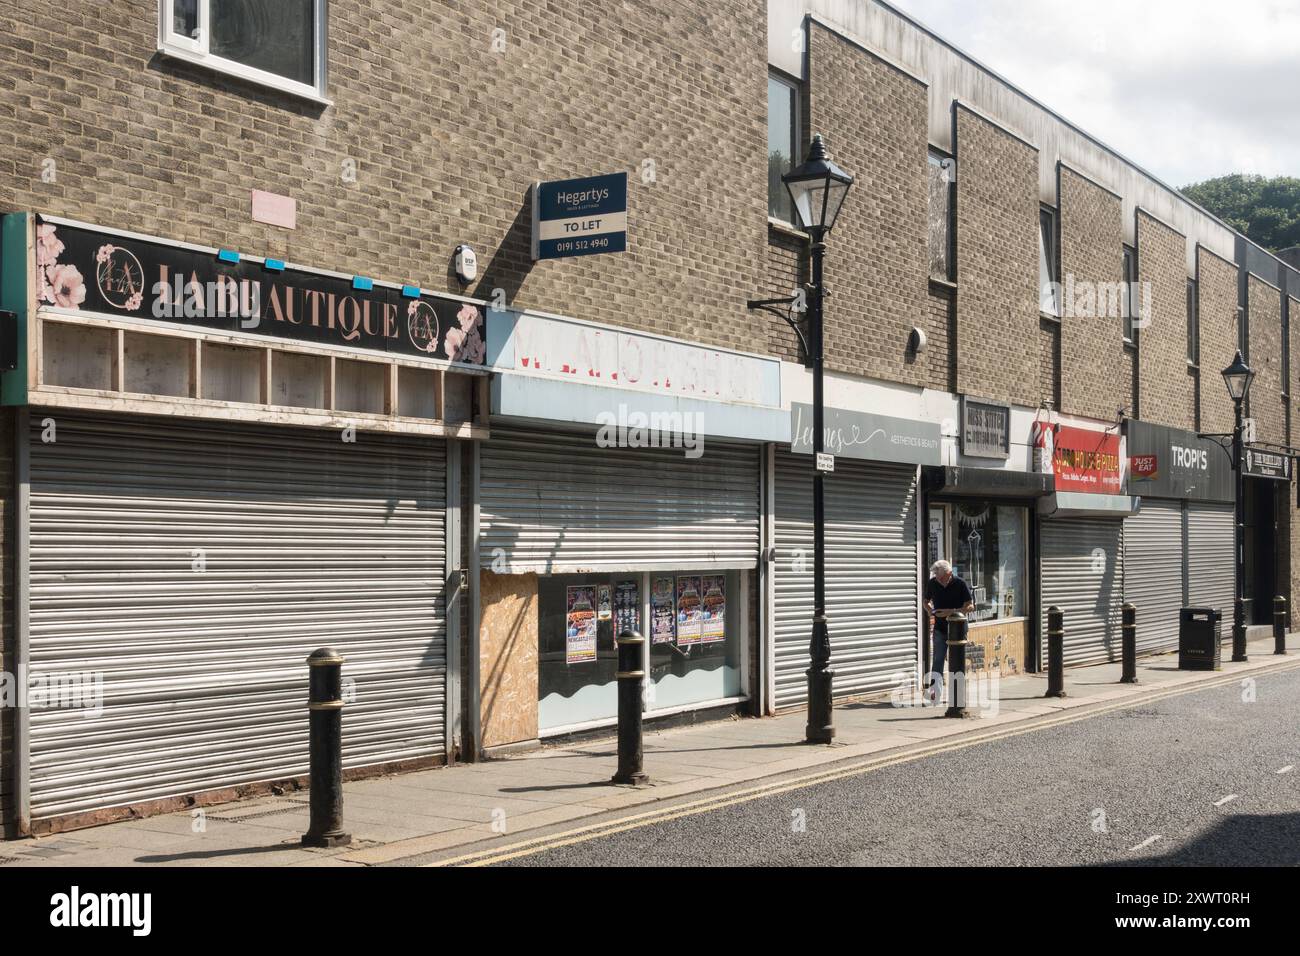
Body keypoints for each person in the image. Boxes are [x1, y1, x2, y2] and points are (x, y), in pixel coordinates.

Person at [923, 560, 974, 703]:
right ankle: (935, 695)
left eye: (941, 577)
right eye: (936, 577)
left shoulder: (960, 583)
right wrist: (930, 611)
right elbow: (925, 601)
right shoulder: (933, 583)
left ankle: (957, 696)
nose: (938, 580)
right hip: (940, 629)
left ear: (949, 573)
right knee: (937, 661)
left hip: (958, 630)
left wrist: (951, 612)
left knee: (956, 661)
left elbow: (970, 606)